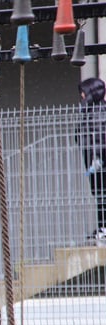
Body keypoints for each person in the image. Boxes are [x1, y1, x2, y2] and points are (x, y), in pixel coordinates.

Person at [78, 77, 106, 246]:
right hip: (96, 162)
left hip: (100, 163)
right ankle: (102, 228)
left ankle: (103, 229)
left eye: (83, 91)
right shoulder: (91, 110)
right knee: (100, 196)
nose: (81, 95)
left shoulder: (97, 111)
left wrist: (99, 159)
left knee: (102, 195)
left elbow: (98, 138)